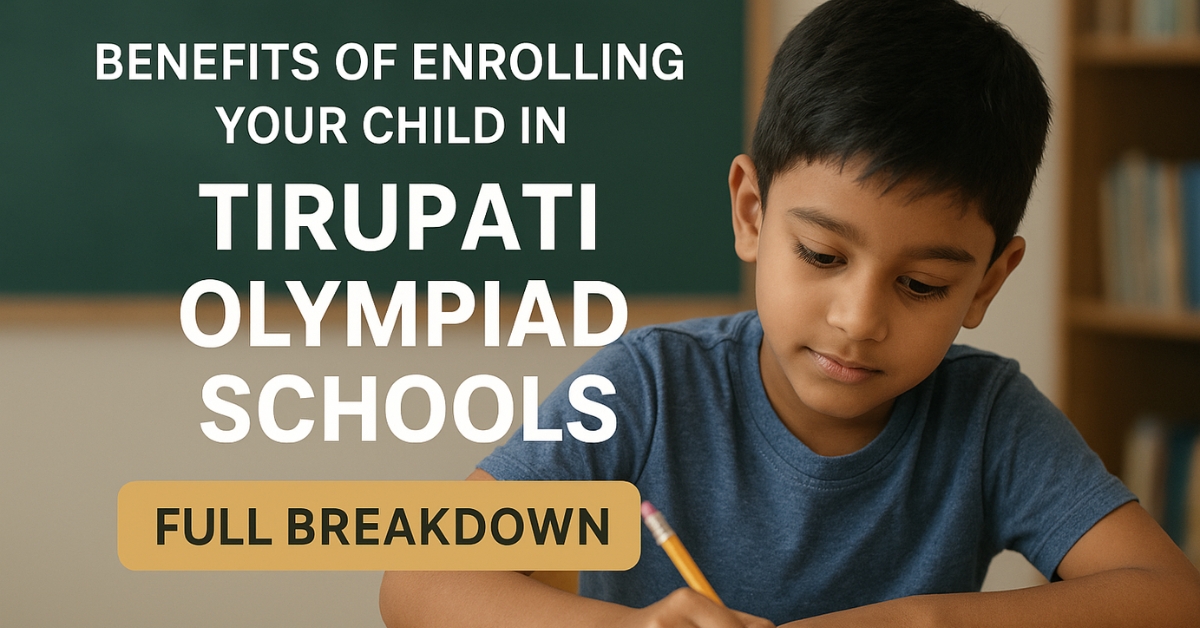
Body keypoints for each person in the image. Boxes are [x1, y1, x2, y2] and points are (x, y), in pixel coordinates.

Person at [379, 0, 1200, 625]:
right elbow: (415, 579)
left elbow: (1168, 597)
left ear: (987, 282)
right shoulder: (649, 385)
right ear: (751, 213)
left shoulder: (986, 417)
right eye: (822, 256)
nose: (858, 318)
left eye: (921, 286)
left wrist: (923, 618)